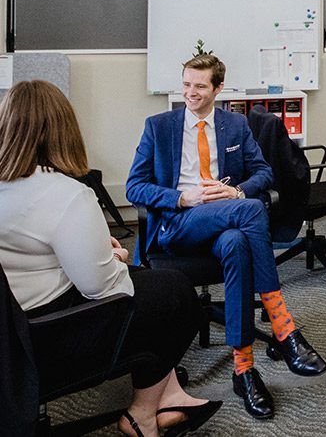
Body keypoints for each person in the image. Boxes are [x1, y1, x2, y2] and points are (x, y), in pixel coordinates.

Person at [0, 80, 221, 437]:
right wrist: (114, 255)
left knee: (156, 284)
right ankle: (143, 415)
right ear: (64, 131)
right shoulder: (66, 195)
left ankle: (172, 394)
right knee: (176, 295)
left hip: (12, 323)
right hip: (44, 333)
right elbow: (99, 286)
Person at [125, 54, 326, 420]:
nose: (190, 93)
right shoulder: (159, 126)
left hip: (222, 223)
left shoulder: (235, 125)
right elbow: (134, 187)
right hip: (177, 223)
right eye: (186, 84)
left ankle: (243, 369)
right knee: (251, 210)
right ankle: (283, 326)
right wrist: (182, 197)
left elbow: (263, 173)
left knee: (236, 240)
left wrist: (236, 192)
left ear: (218, 88)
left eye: (200, 86)